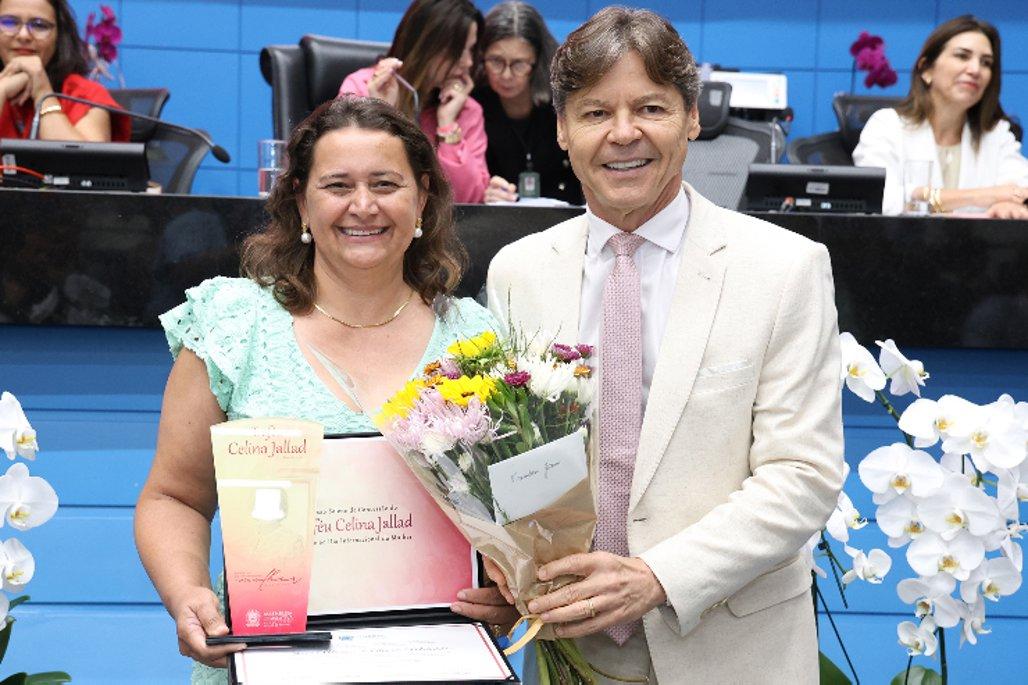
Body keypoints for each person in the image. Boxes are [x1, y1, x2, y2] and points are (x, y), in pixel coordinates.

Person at [481, 8, 844, 683]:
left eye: (650, 107)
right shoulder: (517, 273)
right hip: (571, 650)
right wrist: (505, 562)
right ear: (561, 129)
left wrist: (655, 576)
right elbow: (512, 457)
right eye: (594, 113)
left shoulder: (783, 267)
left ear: (692, 118)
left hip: (733, 650)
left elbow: (803, 475)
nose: (624, 134)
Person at [134, 96, 500, 685]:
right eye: (337, 186)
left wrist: (508, 587)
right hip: (268, 663)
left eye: (385, 183)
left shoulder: (478, 342)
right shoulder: (234, 326)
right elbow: (174, 497)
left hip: (438, 665)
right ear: (301, 202)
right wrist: (189, 595)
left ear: (422, 198)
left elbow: (512, 517)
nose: (363, 206)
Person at [853, 15, 1028, 218]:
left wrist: (1015, 208)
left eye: (986, 63)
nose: (975, 70)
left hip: (980, 248)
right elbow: (880, 198)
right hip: (899, 247)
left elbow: (1019, 188)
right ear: (926, 68)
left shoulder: (997, 135)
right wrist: (981, 197)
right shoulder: (887, 125)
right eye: (962, 56)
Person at [338, 0, 489, 204]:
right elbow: (346, 175)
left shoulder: (465, 109)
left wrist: (447, 126)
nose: (468, 62)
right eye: (457, 51)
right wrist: (382, 113)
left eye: (471, 50)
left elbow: (468, 200)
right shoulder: (362, 87)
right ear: (424, 45)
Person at [474, 1, 583, 205]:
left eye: (519, 64)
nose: (506, 75)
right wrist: (481, 192)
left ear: (537, 61)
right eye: (496, 61)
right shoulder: (473, 104)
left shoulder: (562, 101)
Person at [0, 0, 129, 141]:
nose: (24, 35)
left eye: (39, 25)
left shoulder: (85, 94)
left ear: (59, 36)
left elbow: (84, 162)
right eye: (9, 23)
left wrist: (43, 93)